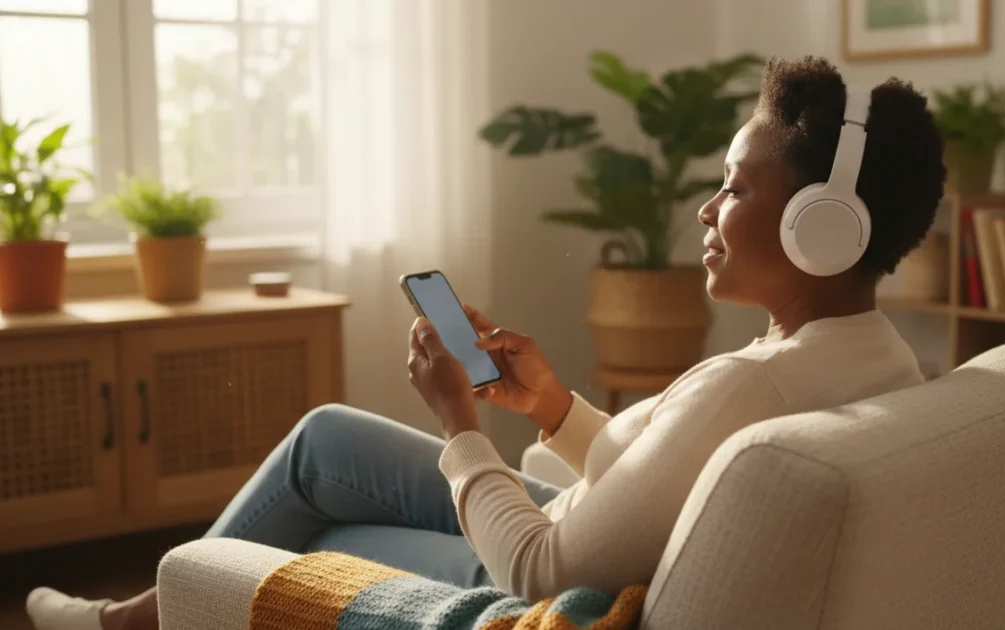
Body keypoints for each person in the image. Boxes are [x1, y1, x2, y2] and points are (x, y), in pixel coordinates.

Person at [26, 55, 945, 630]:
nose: (707, 209)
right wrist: (551, 407)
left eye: (738, 190)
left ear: (820, 231)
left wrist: (459, 424)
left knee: (325, 525)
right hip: (587, 525)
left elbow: (541, 570)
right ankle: (142, 617)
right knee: (326, 437)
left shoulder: (753, 389)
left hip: (534, 579)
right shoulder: (880, 360)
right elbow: (672, 473)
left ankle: (142, 619)